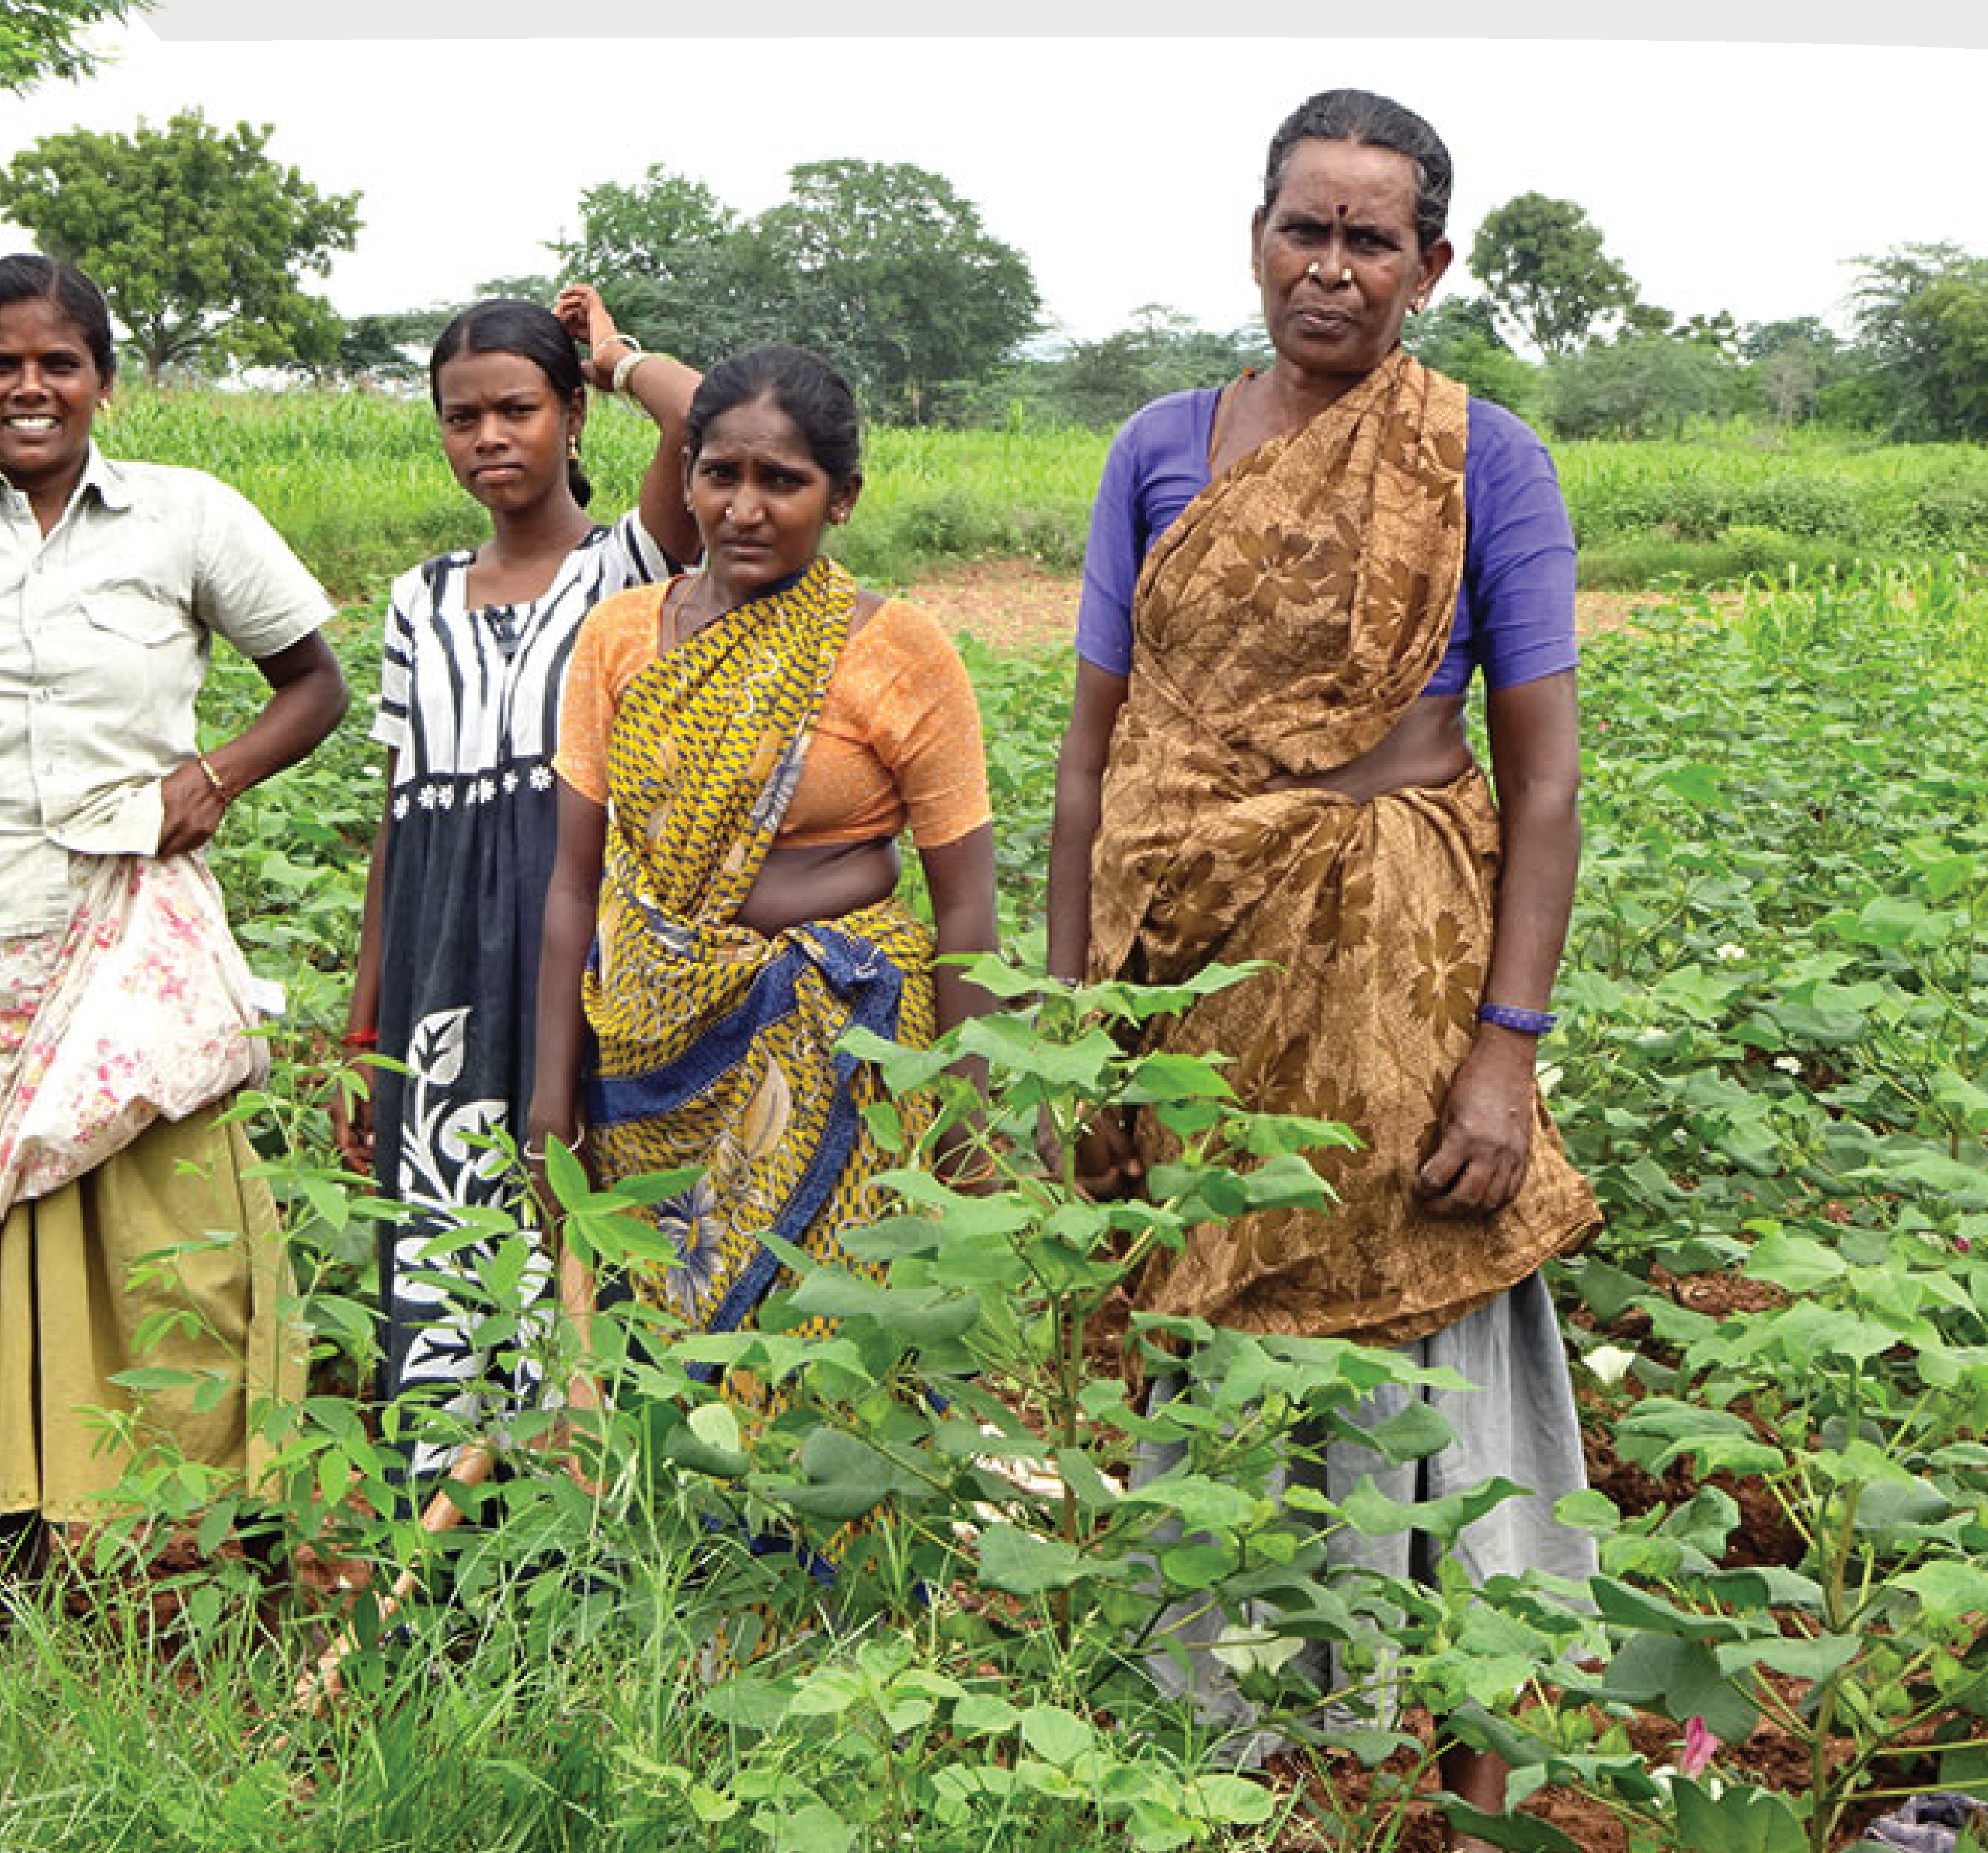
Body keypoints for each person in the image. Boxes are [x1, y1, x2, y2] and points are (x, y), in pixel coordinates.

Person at [1042, 89, 1603, 1819]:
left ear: (1430, 266)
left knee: (1417, 1320)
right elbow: (1089, 764)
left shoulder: (1480, 456)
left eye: (1375, 239)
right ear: (1257, 238)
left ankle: (1447, 1736)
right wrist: (1070, 1035)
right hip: (1190, 981)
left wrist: (1506, 1046)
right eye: (1308, 227)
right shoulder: (1159, 449)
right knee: (1213, 1323)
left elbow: (1547, 776)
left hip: (1393, 972)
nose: (1335, 267)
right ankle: (1202, 1751)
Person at [0, 253, 349, 1558]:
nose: (30, 388)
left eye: (59, 364)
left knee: (183, 1242)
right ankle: (13, 1535)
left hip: (123, 936)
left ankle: (205, 1529)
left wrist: (215, 773)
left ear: (105, 378)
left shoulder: (186, 517)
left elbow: (312, 685)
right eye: (2, 364)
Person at [527, 345, 998, 1622]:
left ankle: (829, 1623)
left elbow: (964, 900)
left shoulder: (898, 654)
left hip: (839, 1044)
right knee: (665, 1330)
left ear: (839, 496)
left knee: (820, 1332)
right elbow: (575, 883)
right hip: (653, 1045)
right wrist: (547, 1096)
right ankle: (688, 1611)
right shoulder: (620, 638)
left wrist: (959, 1109)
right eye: (716, 473)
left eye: (780, 481)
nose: (742, 506)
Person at [331, 289, 701, 1481]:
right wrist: (363, 1018)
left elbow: (706, 422)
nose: (488, 437)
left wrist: (617, 354)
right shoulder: (416, 598)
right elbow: (398, 816)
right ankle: (446, 1503)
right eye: (460, 417)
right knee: (441, 1212)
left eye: (518, 409)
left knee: (579, 1198)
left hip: (572, 932)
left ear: (572, 416)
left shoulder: (629, 567)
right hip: (441, 942)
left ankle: (580, 1497)